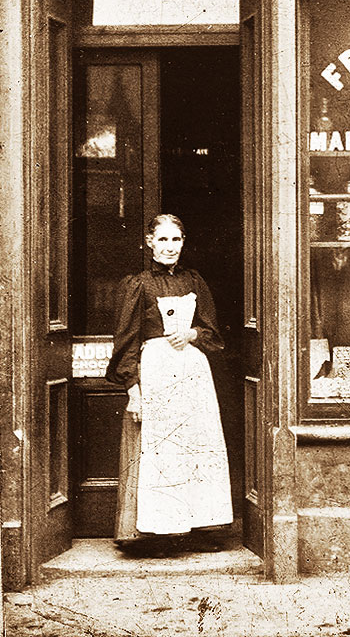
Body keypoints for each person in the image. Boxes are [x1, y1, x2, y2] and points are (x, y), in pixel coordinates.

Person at [106, 213, 233, 554]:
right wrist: (134, 392)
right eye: (162, 240)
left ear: (183, 243)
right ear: (149, 243)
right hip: (157, 371)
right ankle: (159, 533)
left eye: (175, 240)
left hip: (192, 371)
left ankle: (196, 527)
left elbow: (213, 333)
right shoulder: (139, 284)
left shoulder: (195, 281)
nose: (169, 247)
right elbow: (126, 342)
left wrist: (192, 333)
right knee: (162, 451)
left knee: (194, 448)